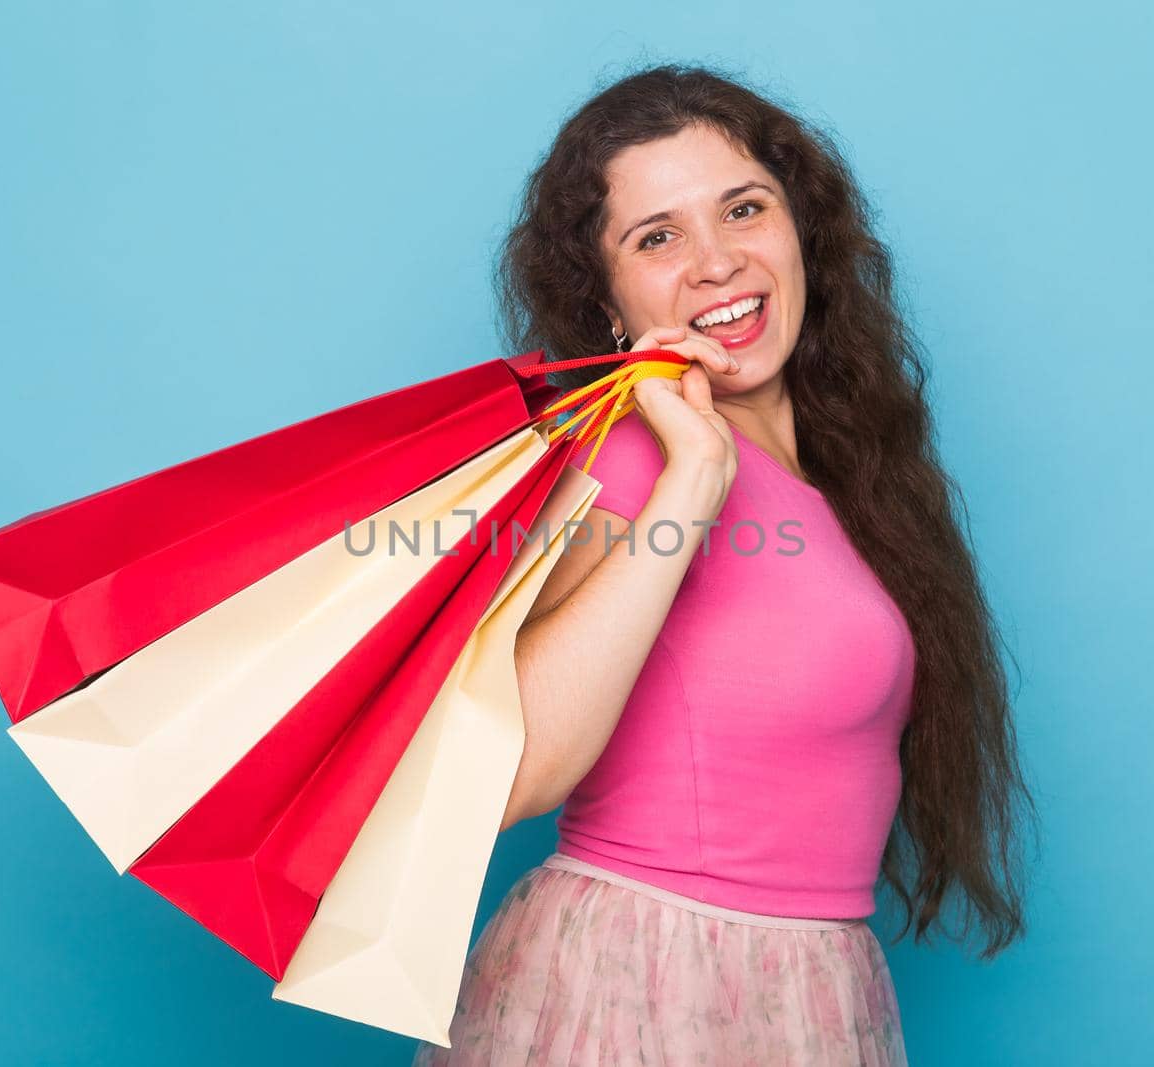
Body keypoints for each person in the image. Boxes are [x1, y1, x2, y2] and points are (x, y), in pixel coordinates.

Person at [414, 64, 1035, 1066]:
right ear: (610, 303)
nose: (715, 262)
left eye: (742, 209)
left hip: (806, 982)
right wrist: (692, 474)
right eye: (655, 237)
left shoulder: (851, 478)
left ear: (802, 232)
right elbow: (517, 769)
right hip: (645, 984)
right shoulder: (633, 461)